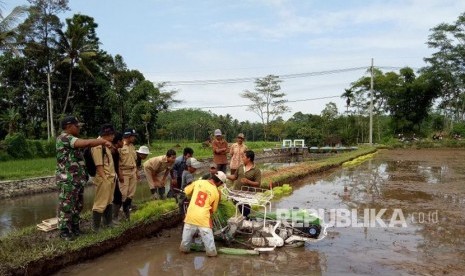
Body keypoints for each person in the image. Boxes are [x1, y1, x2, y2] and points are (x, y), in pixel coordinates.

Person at [56, 116, 112, 241]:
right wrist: (102, 141)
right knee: (67, 205)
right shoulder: (65, 138)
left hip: (76, 179)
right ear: (69, 126)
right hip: (67, 180)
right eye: (77, 126)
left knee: (77, 205)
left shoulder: (71, 139)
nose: (79, 128)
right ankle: (64, 231)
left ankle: (75, 228)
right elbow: (86, 143)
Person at [179, 171, 227, 257]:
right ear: (220, 182)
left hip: (190, 216)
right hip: (203, 219)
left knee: (185, 244)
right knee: (211, 249)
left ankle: (183, 256)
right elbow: (213, 210)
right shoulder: (216, 192)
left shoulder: (198, 182)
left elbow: (186, 191)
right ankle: (212, 261)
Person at [91, 124, 116, 231]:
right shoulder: (98, 145)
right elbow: (99, 164)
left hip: (110, 177)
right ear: (107, 134)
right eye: (112, 134)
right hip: (103, 177)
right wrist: (104, 179)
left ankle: (108, 223)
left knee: (109, 200)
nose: (114, 136)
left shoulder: (105, 145)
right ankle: (95, 227)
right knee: (100, 202)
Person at [227, 150, 261, 218]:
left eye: (243, 157)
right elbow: (234, 177)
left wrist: (248, 181)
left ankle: (248, 220)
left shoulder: (256, 170)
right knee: (239, 206)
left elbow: (258, 183)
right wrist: (225, 176)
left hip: (246, 193)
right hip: (236, 191)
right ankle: (246, 219)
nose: (242, 158)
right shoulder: (240, 167)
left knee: (245, 209)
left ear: (249, 158)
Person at [118, 128, 138, 220]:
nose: (134, 138)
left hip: (132, 171)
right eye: (133, 136)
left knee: (131, 193)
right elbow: (117, 162)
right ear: (128, 136)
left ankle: (127, 212)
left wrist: (136, 172)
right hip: (124, 172)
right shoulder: (120, 146)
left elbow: (134, 160)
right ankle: (120, 213)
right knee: (123, 194)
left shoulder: (132, 146)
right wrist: (120, 174)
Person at [111, 132, 124, 222]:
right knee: (114, 198)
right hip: (108, 177)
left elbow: (117, 165)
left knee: (118, 197)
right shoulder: (111, 151)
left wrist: (119, 174)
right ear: (118, 141)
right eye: (122, 140)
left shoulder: (116, 151)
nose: (123, 142)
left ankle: (114, 217)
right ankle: (110, 219)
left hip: (114, 176)